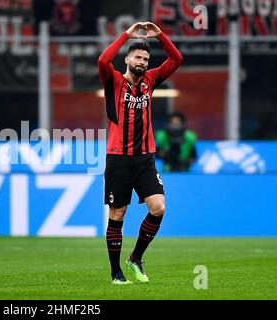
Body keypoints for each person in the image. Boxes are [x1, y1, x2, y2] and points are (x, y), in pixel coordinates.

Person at [98, 22, 182, 284]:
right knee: (117, 214)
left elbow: (176, 59)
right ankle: (115, 272)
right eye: (137, 57)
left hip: (145, 158)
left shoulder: (151, 80)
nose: (142, 62)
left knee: (158, 208)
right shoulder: (113, 81)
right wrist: (126, 35)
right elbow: (103, 59)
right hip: (119, 158)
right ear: (127, 58)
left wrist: (159, 35)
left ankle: (135, 258)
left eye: (146, 58)